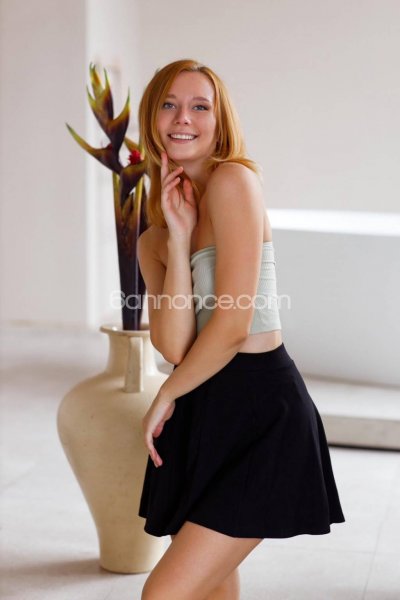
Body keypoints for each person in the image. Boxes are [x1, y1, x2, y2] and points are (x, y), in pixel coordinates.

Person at [136, 59, 345, 600]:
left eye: (199, 106)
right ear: (152, 118)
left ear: (219, 120)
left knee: (164, 593)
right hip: (200, 411)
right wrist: (178, 238)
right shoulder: (153, 240)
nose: (183, 118)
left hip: (260, 409)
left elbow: (233, 324)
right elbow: (174, 343)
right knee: (211, 590)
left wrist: (166, 393)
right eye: (169, 105)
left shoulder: (235, 182)